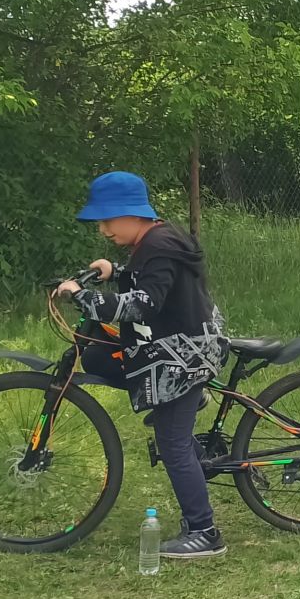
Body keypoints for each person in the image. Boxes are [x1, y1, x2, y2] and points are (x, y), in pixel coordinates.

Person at [56, 171, 235, 560]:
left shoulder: (159, 244)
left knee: (172, 444)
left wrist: (84, 296)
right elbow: (150, 285)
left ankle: (204, 531)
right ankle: (188, 407)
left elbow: (145, 303)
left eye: (108, 219)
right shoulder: (156, 240)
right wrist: (115, 272)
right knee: (106, 357)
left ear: (132, 213)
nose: (103, 229)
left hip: (183, 355)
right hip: (182, 345)